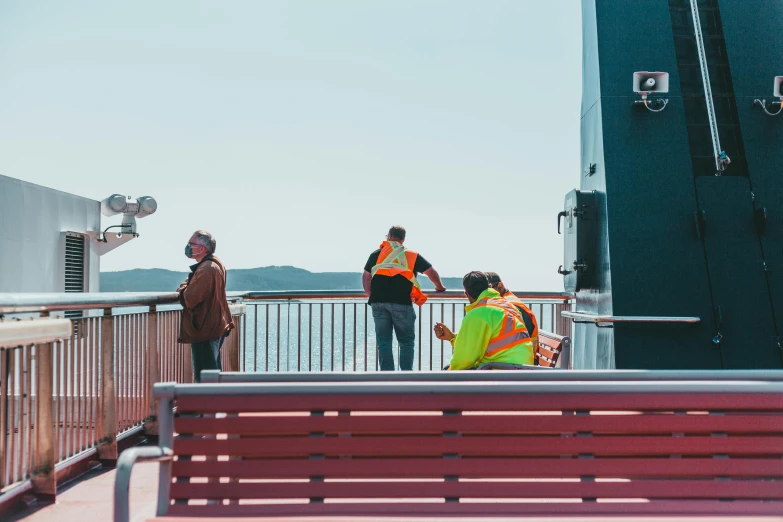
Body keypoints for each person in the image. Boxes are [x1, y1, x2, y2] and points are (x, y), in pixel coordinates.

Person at [363, 226, 446, 371]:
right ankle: (407, 377)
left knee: (383, 342)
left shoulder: (376, 254)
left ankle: (387, 378)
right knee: (406, 342)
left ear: (389, 236)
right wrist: (439, 287)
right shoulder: (411, 255)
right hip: (402, 303)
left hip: (378, 303)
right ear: (403, 239)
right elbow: (431, 272)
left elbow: (366, 276)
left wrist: (371, 295)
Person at [434, 271, 534, 370]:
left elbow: (464, 359)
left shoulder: (478, 314)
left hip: (503, 371)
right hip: (522, 369)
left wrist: (448, 373)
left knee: (447, 371)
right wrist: (452, 337)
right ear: (489, 286)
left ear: (467, 294)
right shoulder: (508, 305)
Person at [177, 230, 234, 382]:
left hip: (204, 328)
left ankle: (208, 404)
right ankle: (216, 403)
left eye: (191, 244)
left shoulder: (206, 269)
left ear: (202, 249)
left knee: (205, 377)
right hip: (214, 326)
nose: (188, 247)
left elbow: (190, 298)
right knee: (213, 373)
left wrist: (183, 287)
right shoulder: (215, 264)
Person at [485, 272, 539, 351]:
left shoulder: (510, 306)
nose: (486, 294)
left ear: (500, 285)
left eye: (489, 289)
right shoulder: (505, 302)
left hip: (522, 358)